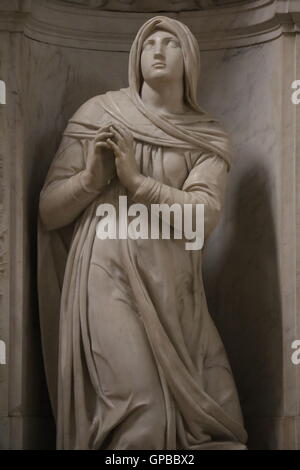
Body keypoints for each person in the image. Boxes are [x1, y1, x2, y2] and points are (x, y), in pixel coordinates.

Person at [38, 15, 247, 450]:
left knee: (221, 428)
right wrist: (92, 180)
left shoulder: (206, 137)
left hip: (176, 290)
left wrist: (137, 183)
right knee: (142, 423)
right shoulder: (99, 115)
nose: (156, 49)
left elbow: (203, 217)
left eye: (170, 43)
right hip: (104, 275)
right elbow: (49, 211)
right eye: (148, 42)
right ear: (135, 58)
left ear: (189, 59)